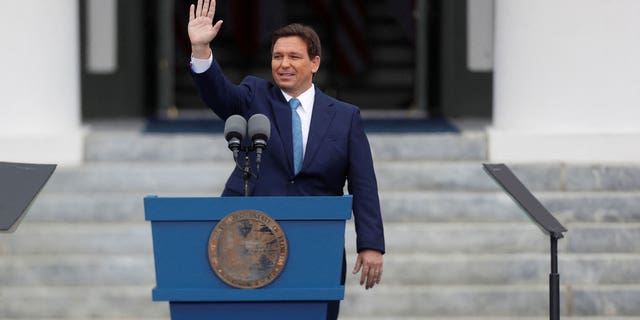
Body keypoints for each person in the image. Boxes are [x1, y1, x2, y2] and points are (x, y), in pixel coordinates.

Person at [188, 0, 385, 318]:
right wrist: (200, 50)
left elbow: (364, 185)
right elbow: (219, 95)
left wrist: (370, 243)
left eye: (294, 56)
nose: (284, 64)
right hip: (252, 240)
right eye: (277, 56)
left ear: (315, 63)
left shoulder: (345, 117)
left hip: (319, 242)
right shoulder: (254, 96)